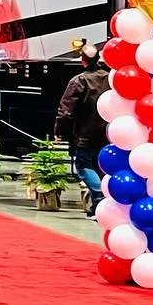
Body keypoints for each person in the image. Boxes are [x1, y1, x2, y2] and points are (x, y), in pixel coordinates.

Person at [54, 44, 110, 214]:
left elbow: (66, 110)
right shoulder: (110, 78)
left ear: (83, 60)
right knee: (102, 167)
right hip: (109, 132)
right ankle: (98, 207)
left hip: (86, 133)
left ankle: (100, 197)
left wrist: (59, 131)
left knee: (84, 166)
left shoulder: (79, 81)